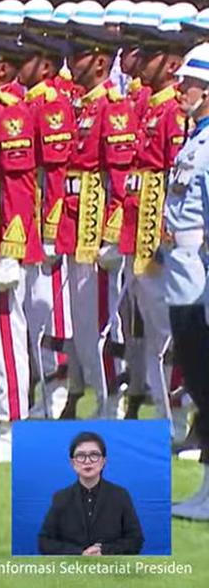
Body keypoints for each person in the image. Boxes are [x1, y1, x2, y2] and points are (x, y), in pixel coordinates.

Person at [163, 42, 209, 521]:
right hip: (182, 277)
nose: (182, 89)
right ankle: (204, 491)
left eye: (191, 83)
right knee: (198, 384)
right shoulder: (193, 138)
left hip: (201, 280)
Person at [37, 431, 144, 555]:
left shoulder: (120, 495)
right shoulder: (61, 498)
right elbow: (44, 542)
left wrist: (104, 551)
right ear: (73, 463)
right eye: (81, 456)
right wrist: (79, 553)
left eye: (94, 455)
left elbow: (135, 540)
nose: (87, 461)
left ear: (103, 461)